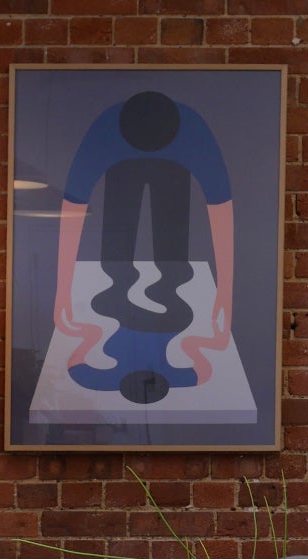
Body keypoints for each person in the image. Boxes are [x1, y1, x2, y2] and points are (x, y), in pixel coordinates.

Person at [52, 89, 235, 404]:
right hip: (120, 174)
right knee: (118, 243)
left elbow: (220, 210)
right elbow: (72, 210)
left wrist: (225, 294)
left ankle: (163, 273)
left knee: (171, 245)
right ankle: (122, 270)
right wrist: (62, 290)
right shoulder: (104, 134)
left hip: (175, 177)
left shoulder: (194, 136)